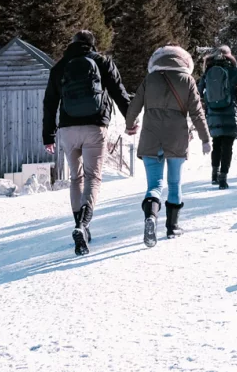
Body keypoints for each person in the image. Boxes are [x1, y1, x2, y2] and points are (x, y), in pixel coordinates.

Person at [43, 30, 131, 257]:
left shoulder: (60, 67)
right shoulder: (102, 62)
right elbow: (118, 91)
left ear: (72, 44)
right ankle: (83, 224)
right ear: (92, 45)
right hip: (94, 127)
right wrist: (130, 120)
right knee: (93, 177)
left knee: (76, 177)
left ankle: (80, 226)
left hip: (67, 129)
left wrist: (48, 135)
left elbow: (50, 102)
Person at [125, 44, 211, 247]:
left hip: (150, 135)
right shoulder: (187, 80)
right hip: (176, 137)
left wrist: (130, 125)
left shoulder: (150, 79)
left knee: (154, 185)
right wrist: (205, 138)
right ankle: (172, 228)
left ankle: (151, 217)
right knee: (174, 183)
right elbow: (197, 113)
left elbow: (134, 105)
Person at [198, 45, 237, 189]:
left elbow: (198, 91)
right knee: (228, 146)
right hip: (230, 113)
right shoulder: (234, 71)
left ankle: (214, 174)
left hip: (213, 113)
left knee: (217, 144)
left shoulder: (208, 71)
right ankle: (223, 178)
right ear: (229, 56)